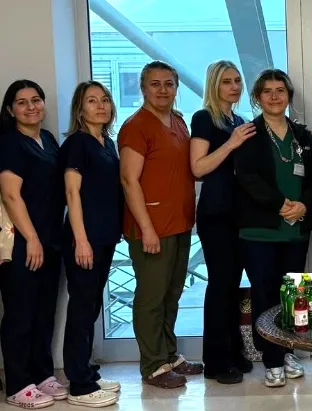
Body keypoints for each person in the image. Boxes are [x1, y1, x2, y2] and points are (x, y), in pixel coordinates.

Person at [118, 61, 203, 389]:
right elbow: (129, 180)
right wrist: (147, 229)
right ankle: (153, 365)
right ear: (143, 88)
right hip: (151, 228)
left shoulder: (178, 122)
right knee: (151, 299)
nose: (163, 90)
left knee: (171, 295)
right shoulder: (136, 127)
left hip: (179, 224)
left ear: (176, 88)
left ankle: (169, 355)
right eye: (155, 84)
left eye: (169, 84)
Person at [233, 69, 312, 387]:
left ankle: (288, 351)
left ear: (289, 96)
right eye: (267, 91)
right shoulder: (249, 134)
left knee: (292, 295)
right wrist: (280, 204)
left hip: (295, 230)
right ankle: (271, 359)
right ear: (257, 97)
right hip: (260, 231)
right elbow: (247, 177)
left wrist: (304, 205)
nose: (274, 96)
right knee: (265, 294)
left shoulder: (302, 136)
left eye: (280, 90)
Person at [0, 80, 66, 408]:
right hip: (24, 242)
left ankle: (42, 375)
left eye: (36, 100)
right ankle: (17, 383)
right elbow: (11, 196)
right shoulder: (10, 143)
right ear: (10, 110)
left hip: (51, 240)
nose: (31, 107)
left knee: (44, 313)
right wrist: (32, 239)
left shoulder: (48, 140)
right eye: (22, 102)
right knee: (20, 314)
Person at [189, 60, 255, 384]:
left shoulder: (238, 120)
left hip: (238, 214)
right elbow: (198, 168)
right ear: (214, 85)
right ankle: (216, 360)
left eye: (237, 81)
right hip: (215, 214)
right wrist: (231, 144)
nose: (234, 87)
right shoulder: (204, 118)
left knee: (232, 285)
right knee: (220, 284)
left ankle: (233, 350)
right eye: (227, 81)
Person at [59, 81, 123, 407]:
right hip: (84, 239)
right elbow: (72, 194)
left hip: (105, 237)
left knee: (92, 305)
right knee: (82, 309)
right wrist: (81, 240)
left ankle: (87, 372)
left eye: (105, 100)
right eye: (92, 101)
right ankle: (79, 386)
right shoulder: (77, 144)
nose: (100, 106)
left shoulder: (107, 143)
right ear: (80, 109)